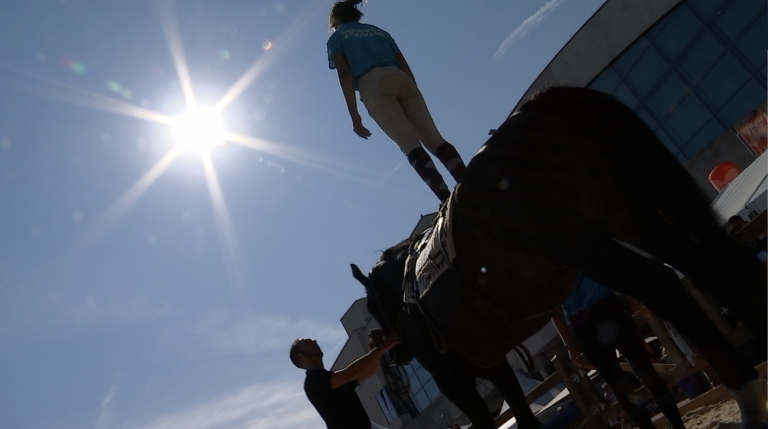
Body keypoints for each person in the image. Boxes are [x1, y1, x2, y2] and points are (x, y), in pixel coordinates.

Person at [326, 0, 466, 203]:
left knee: (410, 145)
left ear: (335, 20)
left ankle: (445, 199)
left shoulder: (337, 38)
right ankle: (469, 181)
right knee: (435, 140)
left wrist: (354, 116)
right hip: (401, 78)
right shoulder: (379, 32)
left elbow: (345, 74)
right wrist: (414, 90)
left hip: (372, 84)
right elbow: (403, 63)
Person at [551, 275, 686, 429]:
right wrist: (568, 344)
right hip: (596, 317)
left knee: (642, 375)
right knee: (625, 384)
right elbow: (553, 309)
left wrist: (634, 301)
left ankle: (678, 425)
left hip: (599, 313)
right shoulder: (549, 268)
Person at [290, 334, 400, 429]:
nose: (314, 341)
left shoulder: (331, 378)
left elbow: (370, 370)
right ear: (299, 357)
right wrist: (382, 347)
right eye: (307, 343)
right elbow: (352, 372)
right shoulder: (313, 382)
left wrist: (375, 349)